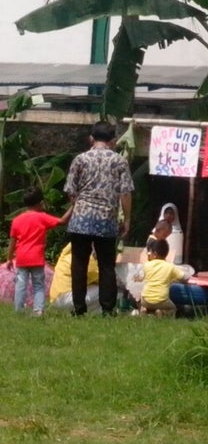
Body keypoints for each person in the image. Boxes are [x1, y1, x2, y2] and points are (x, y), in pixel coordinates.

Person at [64, 121, 134, 316]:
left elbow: (71, 191)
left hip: (81, 219)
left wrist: (80, 205)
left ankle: (79, 309)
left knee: (79, 264)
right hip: (106, 219)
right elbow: (126, 193)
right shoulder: (119, 161)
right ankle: (108, 308)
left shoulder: (80, 159)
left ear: (91, 139)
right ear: (113, 141)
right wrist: (127, 219)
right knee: (106, 265)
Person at [6, 186, 72, 316]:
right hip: (36, 258)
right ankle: (38, 310)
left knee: (20, 285)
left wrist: (9, 259)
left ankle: (19, 310)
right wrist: (73, 206)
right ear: (39, 203)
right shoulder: (42, 217)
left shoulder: (17, 220)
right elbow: (62, 221)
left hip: (21, 258)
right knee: (38, 285)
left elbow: (12, 243)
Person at [140, 238, 187, 316]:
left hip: (145, 300)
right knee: (173, 308)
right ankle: (162, 312)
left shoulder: (147, 265)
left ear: (154, 254)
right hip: (161, 301)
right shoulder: (170, 267)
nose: (149, 254)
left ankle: (145, 310)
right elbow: (183, 277)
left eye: (150, 252)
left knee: (146, 300)